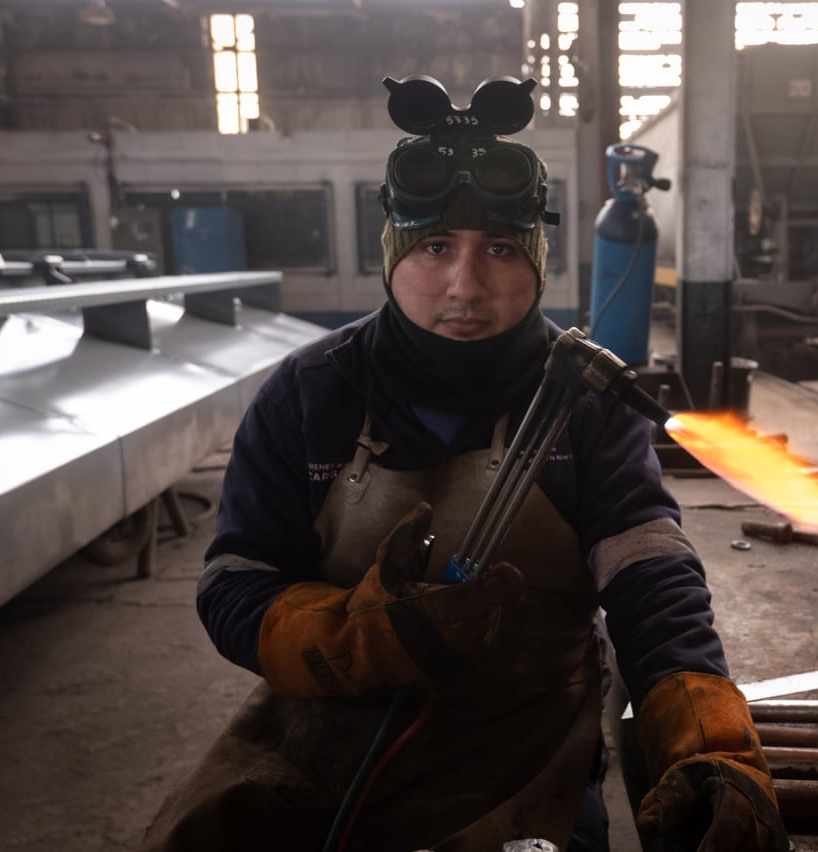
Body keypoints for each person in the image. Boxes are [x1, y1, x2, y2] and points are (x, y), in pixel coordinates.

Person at [142, 79, 785, 852]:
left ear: (538, 256)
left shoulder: (584, 399)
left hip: (525, 744)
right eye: (435, 247)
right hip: (326, 732)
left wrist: (707, 737)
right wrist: (348, 638)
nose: (466, 285)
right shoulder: (311, 396)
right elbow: (235, 583)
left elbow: (649, 574)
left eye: (502, 249)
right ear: (393, 249)